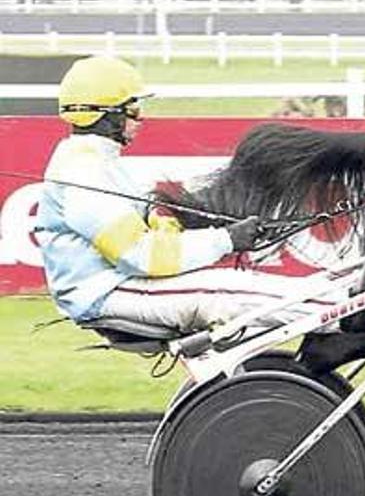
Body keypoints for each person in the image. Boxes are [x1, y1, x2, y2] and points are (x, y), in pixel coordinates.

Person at [34, 55, 346, 335]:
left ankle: (346, 297)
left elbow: (146, 228)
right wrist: (227, 239)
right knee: (228, 292)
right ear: (106, 114)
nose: (139, 118)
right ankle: (350, 312)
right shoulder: (83, 169)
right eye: (132, 109)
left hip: (117, 285)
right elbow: (142, 256)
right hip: (108, 293)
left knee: (240, 285)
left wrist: (171, 216)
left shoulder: (96, 161)